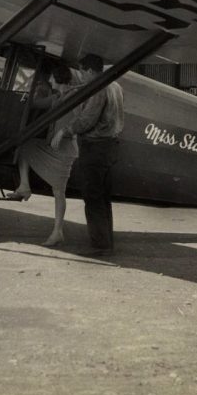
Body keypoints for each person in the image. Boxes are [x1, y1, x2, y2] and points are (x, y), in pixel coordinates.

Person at [5, 64, 83, 247]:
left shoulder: (75, 98)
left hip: (65, 150)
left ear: (57, 79)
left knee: (58, 192)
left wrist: (64, 131)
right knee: (25, 145)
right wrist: (29, 92)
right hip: (53, 147)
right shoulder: (57, 97)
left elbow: (81, 120)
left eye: (51, 78)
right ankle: (24, 186)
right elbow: (35, 103)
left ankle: (58, 232)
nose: (49, 81)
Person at [69, 54, 124, 255]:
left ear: (90, 70)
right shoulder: (116, 86)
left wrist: (67, 130)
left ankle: (100, 246)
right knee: (104, 198)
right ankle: (107, 241)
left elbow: (87, 120)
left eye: (82, 72)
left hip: (95, 147)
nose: (81, 76)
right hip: (111, 146)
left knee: (92, 198)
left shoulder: (97, 88)